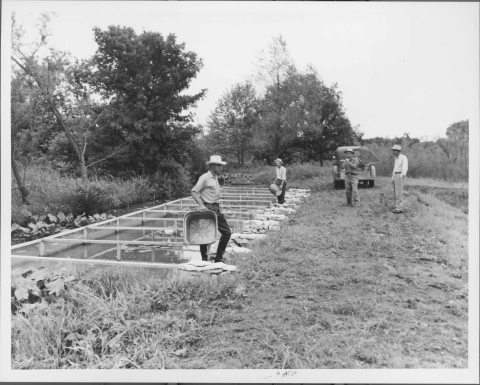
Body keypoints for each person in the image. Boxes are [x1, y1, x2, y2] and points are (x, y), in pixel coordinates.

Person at [191, 155, 232, 263]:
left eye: (221, 165)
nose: (220, 168)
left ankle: (219, 258)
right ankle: (204, 260)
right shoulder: (205, 177)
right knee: (204, 234)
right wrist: (200, 205)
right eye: (218, 165)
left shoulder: (215, 178)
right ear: (212, 166)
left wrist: (219, 206)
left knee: (226, 233)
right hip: (208, 208)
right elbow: (194, 191)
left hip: (216, 208)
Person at [391, 145, 408, 213]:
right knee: (395, 192)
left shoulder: (403, 157)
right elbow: (395, 168)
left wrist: (402, 175)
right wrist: (392, 177)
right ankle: (396, 206)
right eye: (393, 151)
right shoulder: (396, 158)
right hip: (395, 175)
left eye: (394, 151)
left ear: (398, 151)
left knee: (399, 193)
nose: (393, 152)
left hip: (399, 175)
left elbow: (405, 167)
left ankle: (399, 207)